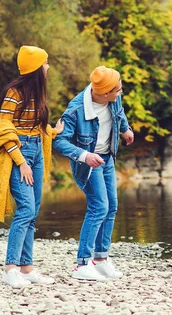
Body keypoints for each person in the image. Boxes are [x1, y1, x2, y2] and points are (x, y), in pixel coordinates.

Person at [0, 45, 64, 288]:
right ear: (36, 68)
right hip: (18, 155)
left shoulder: (37, 94)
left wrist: (52, 131)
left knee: (33, 212)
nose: (48, 66)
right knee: (26, 210)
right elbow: (3, 130)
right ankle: (10, 269)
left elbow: (35, 127)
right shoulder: (14, 93)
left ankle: (27, 267)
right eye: (45, 63)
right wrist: (21, 162)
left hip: (37, 151)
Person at [53, 66, 134, 280]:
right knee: (99, 206)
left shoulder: (112, 97)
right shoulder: (76, 109)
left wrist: (125, 129)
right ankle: (82, 265)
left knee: (112, 206)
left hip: (107, 158)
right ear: (104, 93)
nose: (121, 93)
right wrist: (84, 155)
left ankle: (101, 259)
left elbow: (119, 113)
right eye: (117, 90)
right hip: (88, 163)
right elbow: (59, 141)